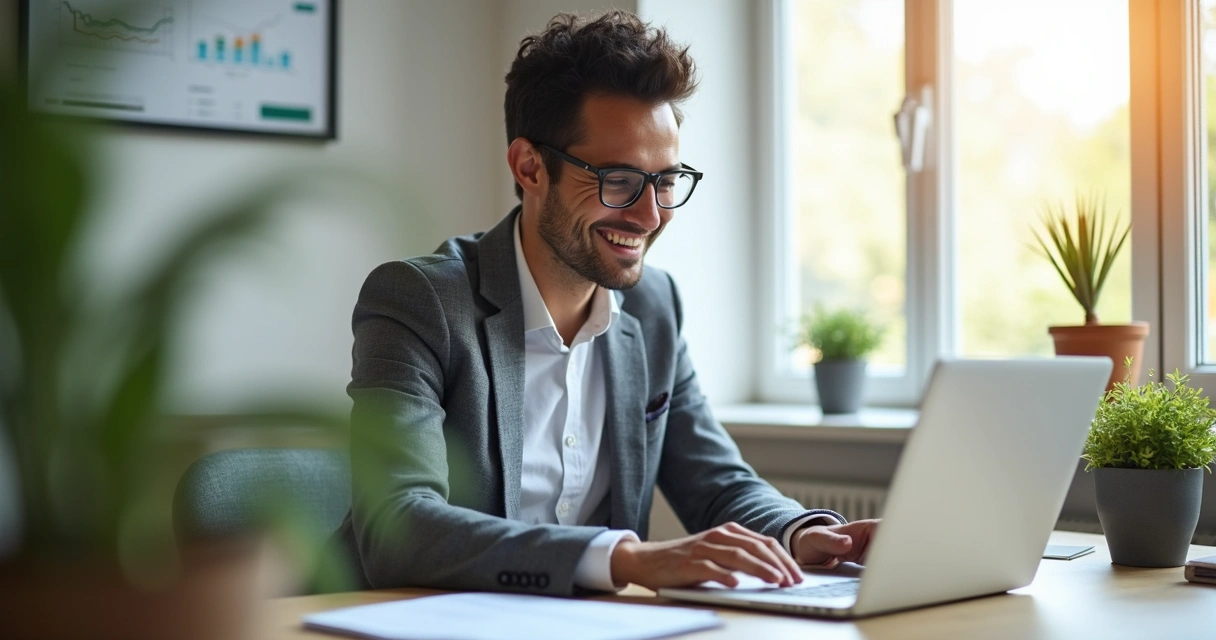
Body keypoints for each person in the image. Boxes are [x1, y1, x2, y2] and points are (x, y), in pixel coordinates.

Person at [333, 10, 878, 595]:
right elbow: (397, 525)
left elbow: (716, 482)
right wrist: (623, 559)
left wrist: (805, 533)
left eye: (666, 181)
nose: (650, 216)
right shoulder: (420, 301)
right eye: (619, 179)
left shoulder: (654, 307)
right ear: (530, 166)